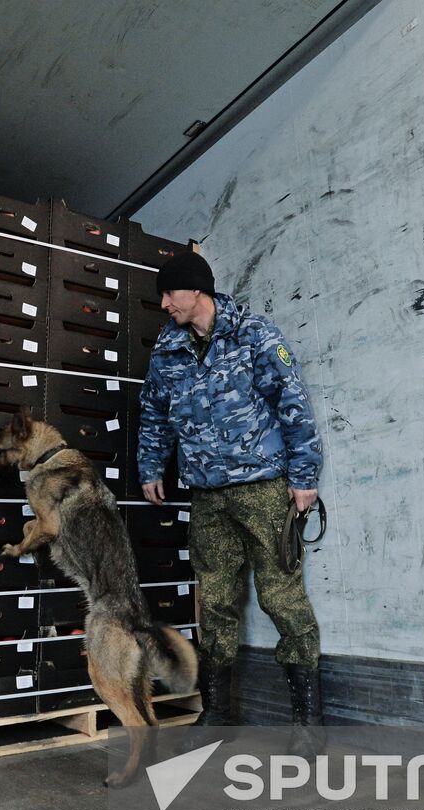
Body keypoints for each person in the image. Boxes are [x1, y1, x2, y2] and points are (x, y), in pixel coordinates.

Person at [136, 250, 324, 736]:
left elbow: (293, 403)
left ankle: (307, 722)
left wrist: (304, 477)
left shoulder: (254, 335)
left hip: (263, 487)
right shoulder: (167, 349)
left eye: (168, 293)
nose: (163, 304)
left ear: (196, 290)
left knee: (281, 597)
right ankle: (218, 713)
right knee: (215, 600)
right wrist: (151, 465)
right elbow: (155, 412)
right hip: (206, 495)